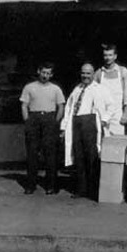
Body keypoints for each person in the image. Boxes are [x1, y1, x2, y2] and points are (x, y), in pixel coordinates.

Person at [61, 63, 112, 200]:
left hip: (91, 124)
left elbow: (111, 106)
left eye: (88, 73)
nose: (85, 76)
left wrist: (105, 119)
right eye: (83, 73)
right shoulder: (77, 88)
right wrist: (64, 127)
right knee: (79, 157)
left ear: (93, 74)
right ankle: (81, 189)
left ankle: (93, 190)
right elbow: (69, 108)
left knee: (92, 158)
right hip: (76, 124)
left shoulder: (100, 89)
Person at [20, 62, 65, 195]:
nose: (45, 75)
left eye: (48, 73)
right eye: (43, 72)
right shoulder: (29, 87)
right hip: (33, 118)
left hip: (50, 119)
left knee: (50, 155)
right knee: (32, 153)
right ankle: (30, 185)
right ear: (39, 72)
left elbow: (61, 107)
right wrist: (27, 121)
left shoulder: (56, 89)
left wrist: (55, 122)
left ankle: (51, 186)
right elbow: (24, 105)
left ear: (51, 75)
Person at [94, 44, 127, 136]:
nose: (108, 58)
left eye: (110, 55)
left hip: (117, 114)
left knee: (117, 141)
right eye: (105, 55)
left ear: (115, 56)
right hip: (102, 113)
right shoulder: (98, 73)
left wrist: (125, 114)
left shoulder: (123, 71)